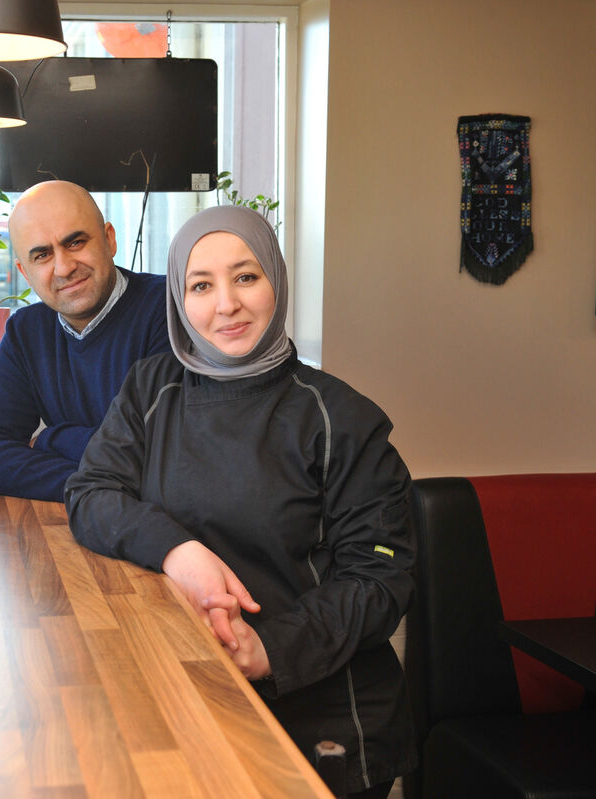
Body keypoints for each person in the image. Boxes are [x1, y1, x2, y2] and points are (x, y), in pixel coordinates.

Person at [65, 205, 416, 798]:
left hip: (324, 724)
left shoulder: (342, 418)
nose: (225, 304)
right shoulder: (152, 388)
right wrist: (179, 550)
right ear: (179, 297)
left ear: (275, 281)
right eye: (201, 285)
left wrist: (266, 650)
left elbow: (381, 580)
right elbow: (91, 493)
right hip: (191, 696)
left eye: (246, 276)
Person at [0, 180, 170, 502]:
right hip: (84, 524)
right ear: (25, 273)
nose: (64, 267)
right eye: (42, 255)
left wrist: (52, 439)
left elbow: (160, 456)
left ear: (109, 240)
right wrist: (93, 485)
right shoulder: (27, 332)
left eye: (76, 242)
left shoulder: (168, 309)